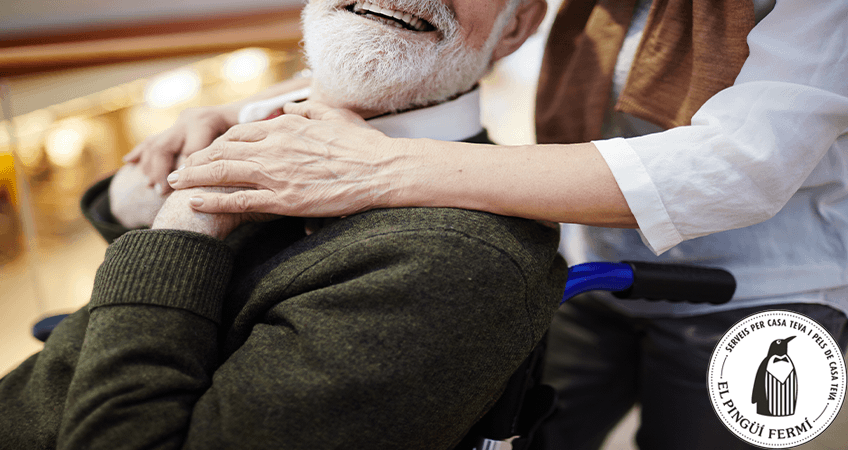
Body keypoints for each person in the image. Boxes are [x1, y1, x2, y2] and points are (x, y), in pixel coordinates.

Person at [130, 0, 848, 448]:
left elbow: (740, 168)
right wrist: (258, 111)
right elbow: (433, 36)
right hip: (590, 261)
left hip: (768, 292)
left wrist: (382, 170)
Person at [0, 1, 568, 448]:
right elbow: (134, 239)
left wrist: (184, 226)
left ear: (517, 25)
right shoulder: (260, 120)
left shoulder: (460, 259)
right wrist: (136, 199)